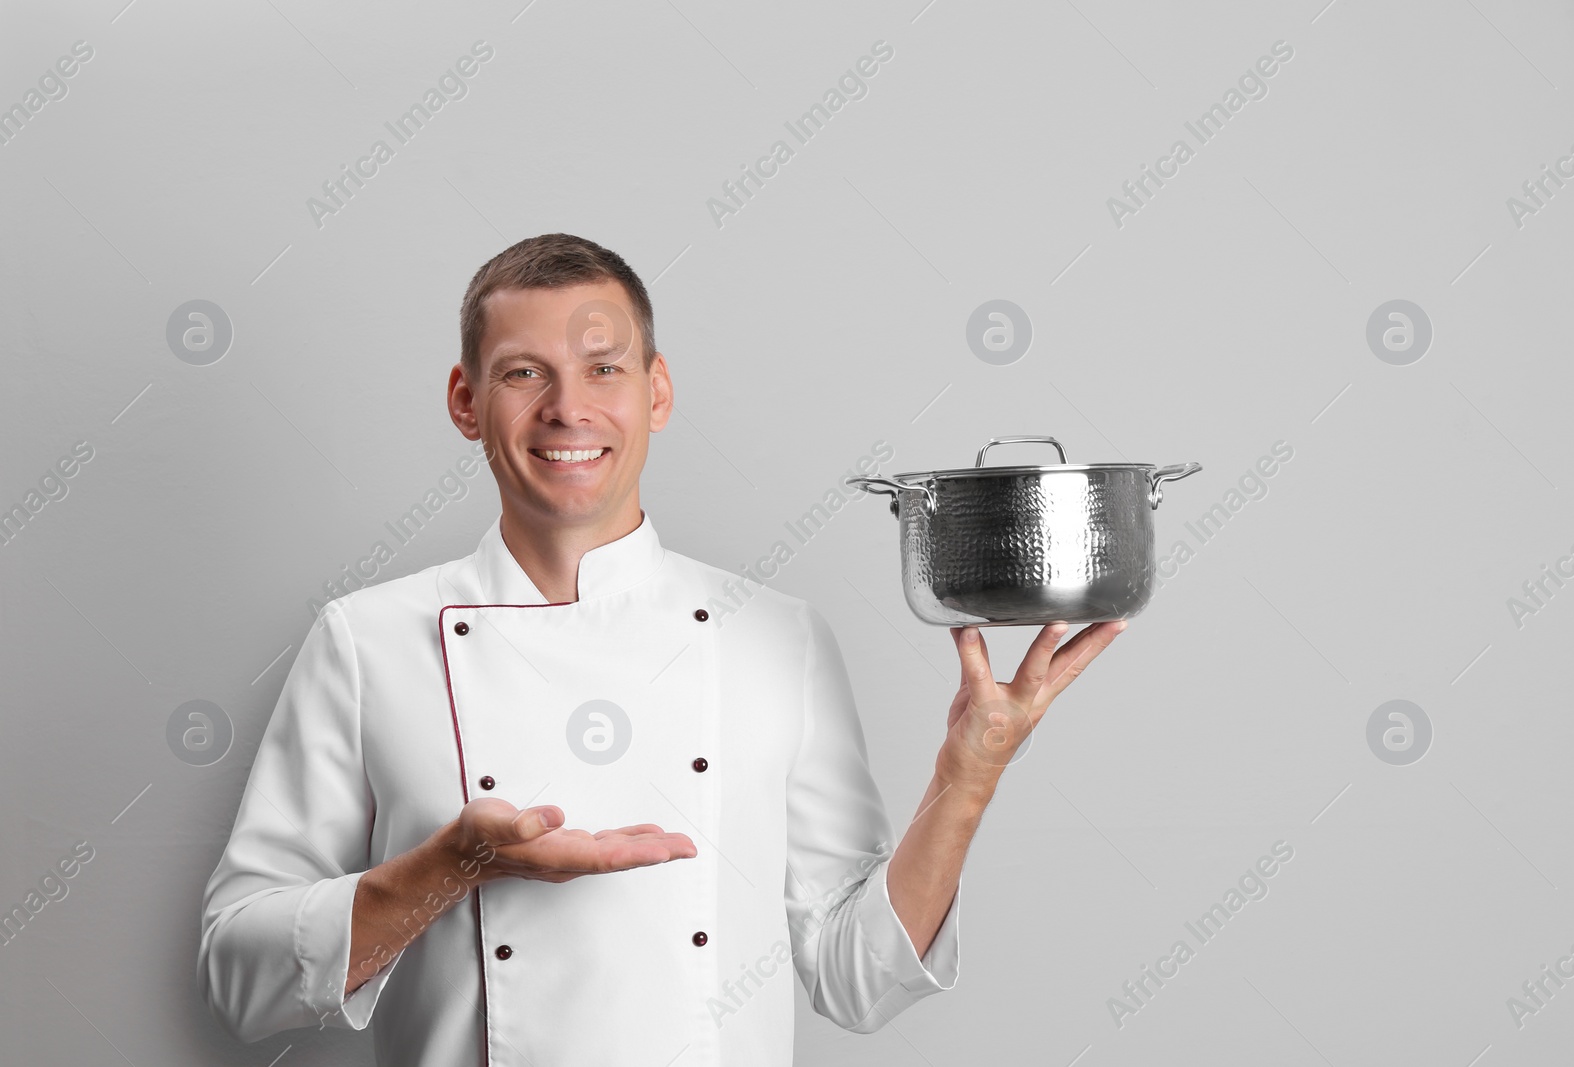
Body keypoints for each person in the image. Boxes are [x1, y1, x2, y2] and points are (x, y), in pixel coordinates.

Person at [196, 233, 1126, 1066]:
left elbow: (859, 979)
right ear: (465, 401)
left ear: (658, 391)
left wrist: (970, 774)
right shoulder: (365, 640)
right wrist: (450, 868)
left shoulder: (776, 635)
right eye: (524, 373)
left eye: (604, 369)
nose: (568, 408)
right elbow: (239, 979)